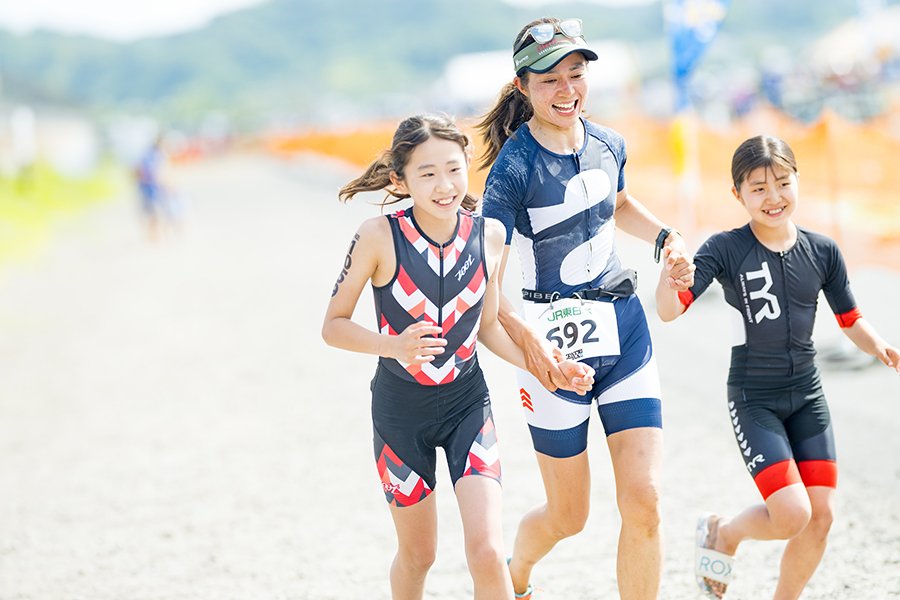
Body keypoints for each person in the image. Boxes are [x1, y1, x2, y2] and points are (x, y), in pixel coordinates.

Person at [321, 114, 596, 600]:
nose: (443, 185)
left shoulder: (488, 235)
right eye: (426, 173)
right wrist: (393, 344)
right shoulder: (378, 236)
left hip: (468, 404)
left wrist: (548, 369)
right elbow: (333, 326)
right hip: (400, 413)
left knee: (487, 552)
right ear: (399, 179)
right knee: (418, 556)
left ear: (469, 163)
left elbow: (487, 325)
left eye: (452, 168)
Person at [476, 17, 694, 600]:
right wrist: (527, 349)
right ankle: (516, 571)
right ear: (522, 86)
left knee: (644, 501)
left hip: (625, 332)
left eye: (576, 74)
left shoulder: (609, 143)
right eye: (549, 79)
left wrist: (665, 238)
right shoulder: (513, 168)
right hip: (553, 348)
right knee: (570, 517)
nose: (566, 89)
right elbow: (487, 278)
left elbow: (618, 202)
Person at [655, 135, 900, 600]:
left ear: (797, 181)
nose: (774, 198)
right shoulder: (726, 248)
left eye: (783, 183)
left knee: (821, 514)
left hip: (807, 395)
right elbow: (669, 310)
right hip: (754, 398)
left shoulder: (823, 250)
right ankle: (723, 533)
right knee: (792, 514)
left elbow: (851, 319)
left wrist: (883, 347)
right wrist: (670, 278)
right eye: (759, 188)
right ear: (738, 195)